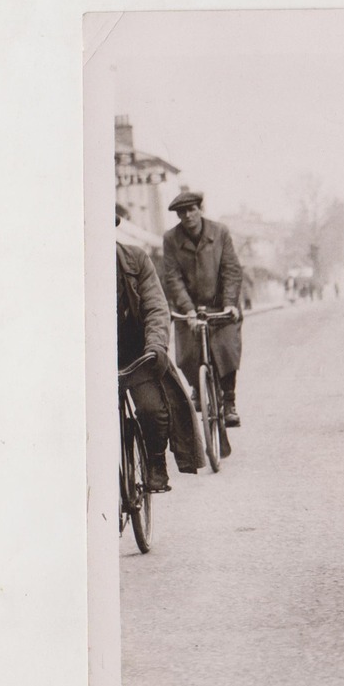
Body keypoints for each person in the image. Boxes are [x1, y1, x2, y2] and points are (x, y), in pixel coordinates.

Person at [118, 211, 201, 491]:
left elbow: (155, 306)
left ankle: (155, 465)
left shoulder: (135, 259)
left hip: (136, 355)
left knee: (153, 411)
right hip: (93, 361)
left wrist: (155, 345)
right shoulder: (72, 267)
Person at [161, 190, 244, 426]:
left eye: (191, 209)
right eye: (181, 212)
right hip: (191, 308)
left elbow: (231, 269)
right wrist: (186, 310)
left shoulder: (220, 232)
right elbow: (172, 277)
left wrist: (229, 303)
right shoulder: (171, 239)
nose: (187, 215)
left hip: (221, 305)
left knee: (227, 349)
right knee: (186, 355)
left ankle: (229, 402)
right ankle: (198, 388)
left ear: (200, 209)